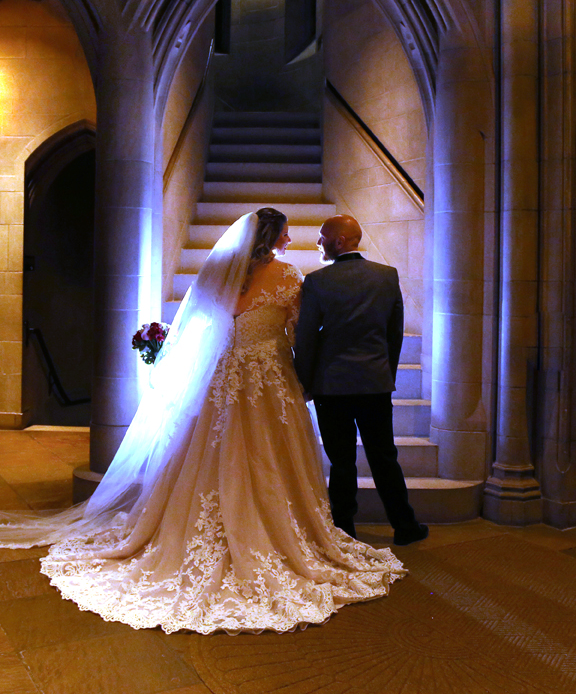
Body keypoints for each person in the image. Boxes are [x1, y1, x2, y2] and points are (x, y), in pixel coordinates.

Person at [0, 208, 406, 634]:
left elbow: (202, 327)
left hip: (223, 378)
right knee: (272, 455)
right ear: (270, 239)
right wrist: (304, 378)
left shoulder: (219, 274)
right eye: (285, 235)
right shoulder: (289, 277)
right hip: (270, 380)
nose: (289, 241)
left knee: (213, 451)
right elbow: (299, 335)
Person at [294, 214, 429, 546]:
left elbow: (307, 339)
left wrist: (304, 382)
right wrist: (385, 372)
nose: (318, 242)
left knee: (341, 461)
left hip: (332, 385)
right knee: (384, 456)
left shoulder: (317, 282)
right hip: (374, 383)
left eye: (322, 236)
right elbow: (393, 333)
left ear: (339, 241)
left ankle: (344, 530)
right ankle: (405, 525)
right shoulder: (386, 276)